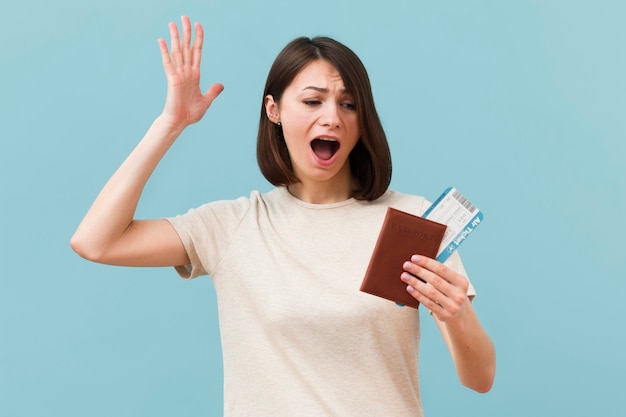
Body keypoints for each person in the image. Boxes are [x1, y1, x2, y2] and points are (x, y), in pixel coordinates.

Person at [71, 15, 495, 417]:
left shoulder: (413, 221)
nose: (332, 117)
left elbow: (480, 379)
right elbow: (96, 241)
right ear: (274, 110)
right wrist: (170, 124)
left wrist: (457, 313)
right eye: (313, 100)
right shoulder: (233, 226)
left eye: (348, 104)